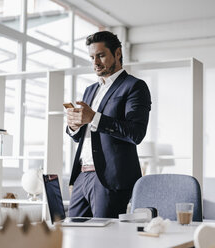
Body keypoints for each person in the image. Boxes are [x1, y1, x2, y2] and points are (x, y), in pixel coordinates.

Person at [66, 31, 151, 218]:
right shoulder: (90, 90)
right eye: (92, 57)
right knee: (72, 233)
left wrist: (94, 118)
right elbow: (84, 134)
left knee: (104, 238)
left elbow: (135, 133)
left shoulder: (134, 86)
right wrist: (73, 126)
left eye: (101, 55)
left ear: (118, 53)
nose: (95, 62)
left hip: (109, 179)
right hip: (82, 175)